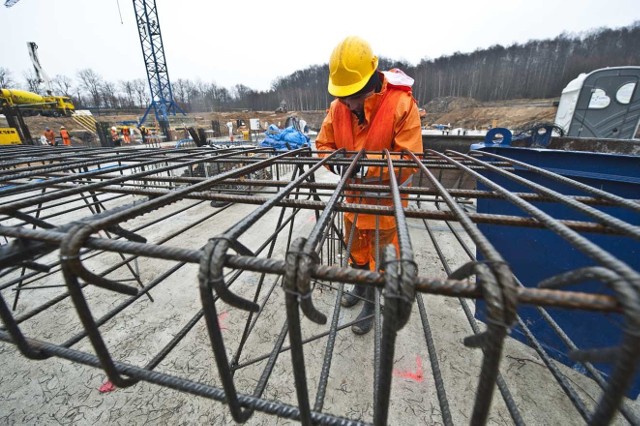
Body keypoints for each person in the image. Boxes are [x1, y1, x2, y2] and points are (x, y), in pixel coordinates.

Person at [315, 36, 423, 335]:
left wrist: (363, 166)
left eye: (353, 95)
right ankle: (360, 288)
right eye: (343, 95)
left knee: (382, 259)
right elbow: (324, 143)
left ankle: (372, 304)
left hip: (386, 207)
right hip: (353, 202)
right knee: (357, 253)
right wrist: (336, 162)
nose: (347, 103)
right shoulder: (339, 107)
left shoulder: (401, 104)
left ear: (371, 81)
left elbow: (409, 158)